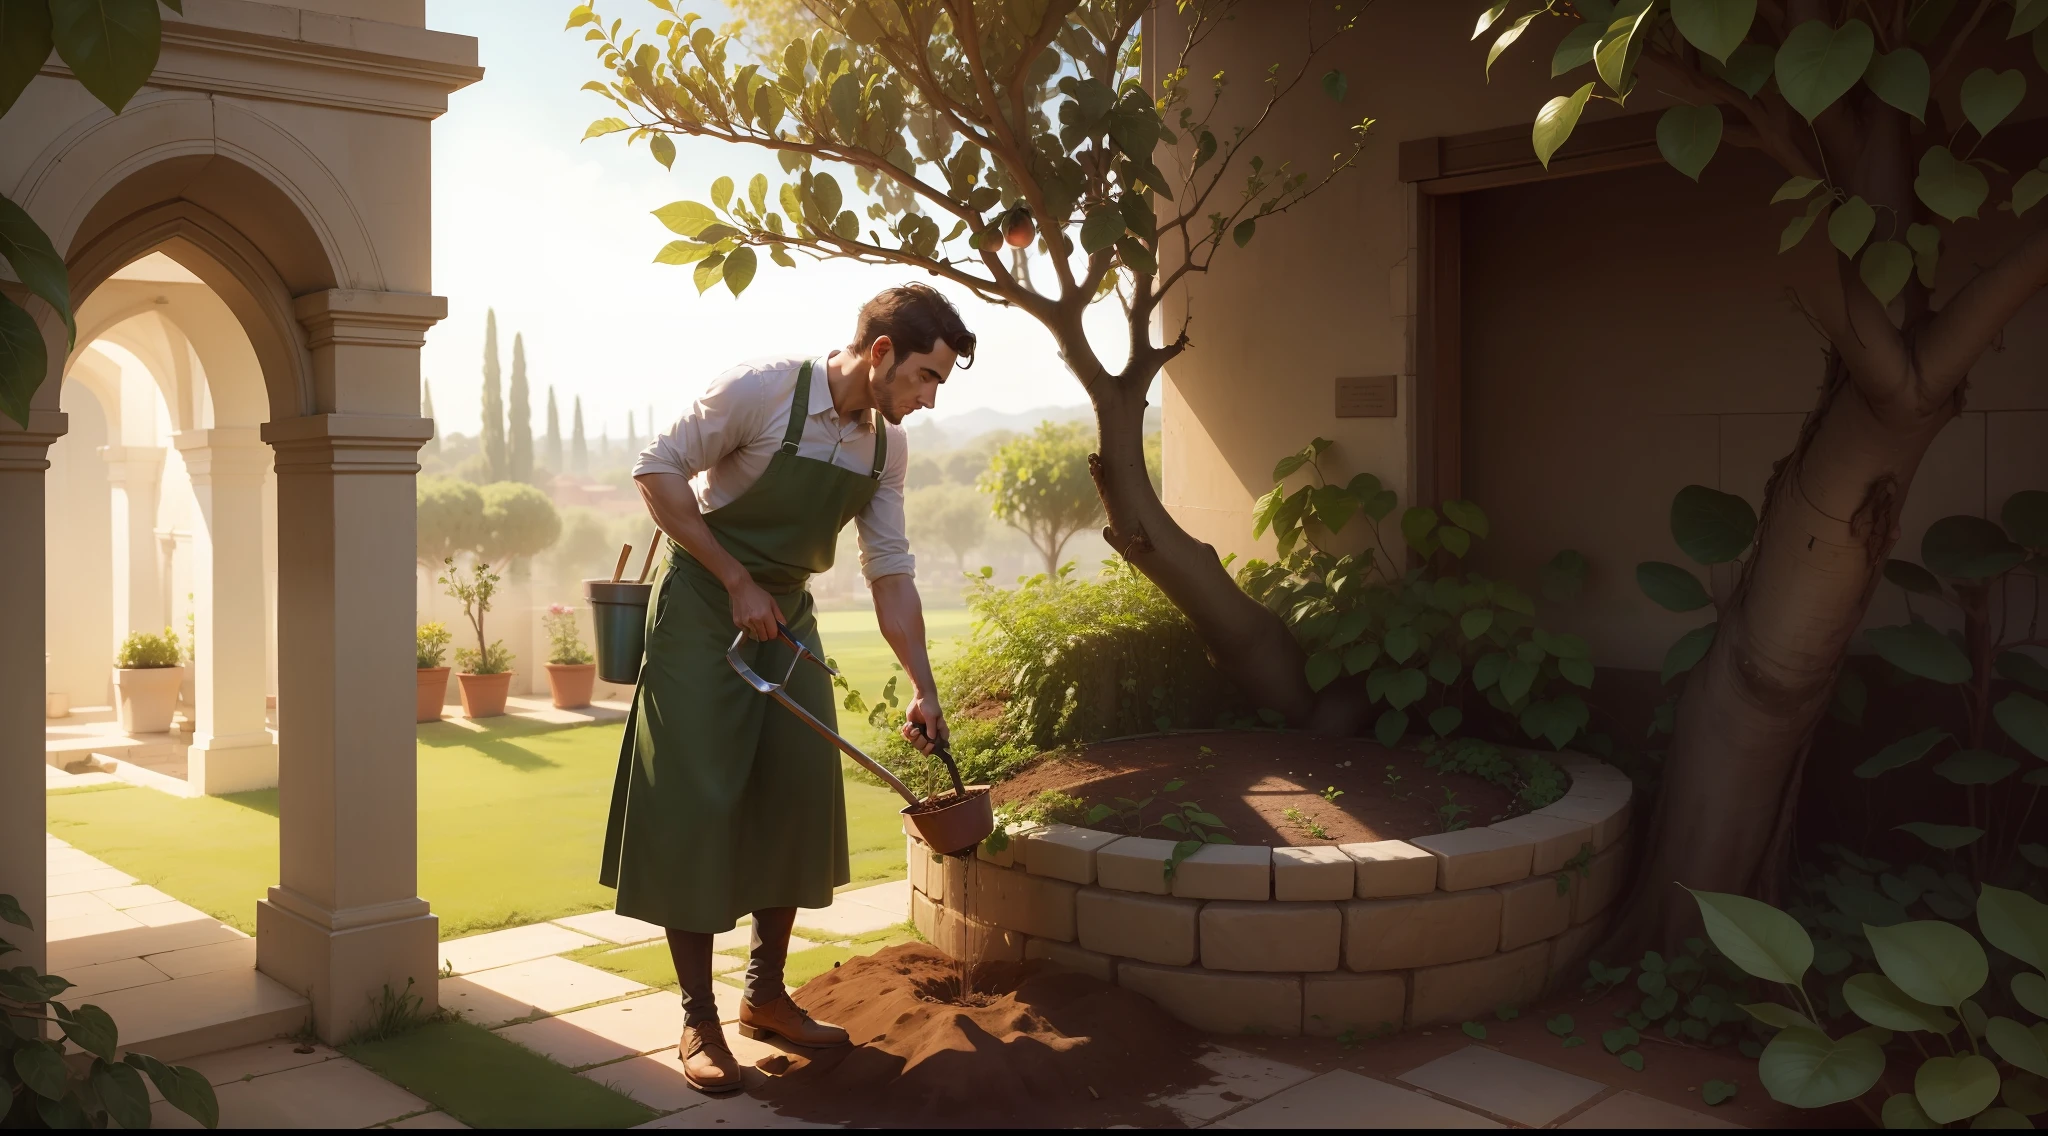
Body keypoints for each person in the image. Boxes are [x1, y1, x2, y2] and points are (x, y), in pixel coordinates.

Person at [602, 284, 974, 1092]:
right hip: (705, 605)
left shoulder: (886, 450)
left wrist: (924, 685)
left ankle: (764, 997)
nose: (927, 397)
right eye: (923, 377)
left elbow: (891, 571)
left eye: (937, 384)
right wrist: (734, 578)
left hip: (787, 615)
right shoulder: (761, 391)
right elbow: (656, 472)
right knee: (696, 803)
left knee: (796, 795)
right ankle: (699, 1019)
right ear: (880, 352)